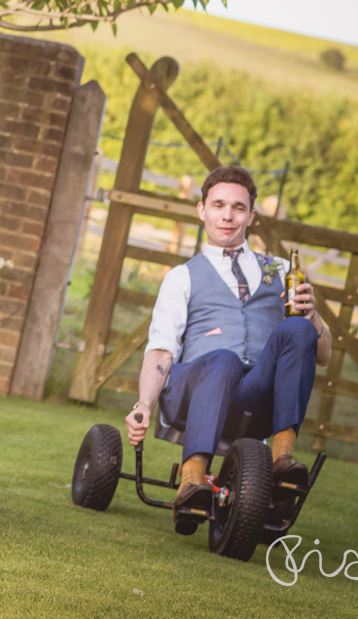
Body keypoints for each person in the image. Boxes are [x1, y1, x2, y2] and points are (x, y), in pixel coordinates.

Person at [127, 165, 332, 511]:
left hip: (253, 395)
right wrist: (144, 404)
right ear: (202, 210)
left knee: (297, 328)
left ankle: (282, 459)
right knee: (224, 359)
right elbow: (162, 350)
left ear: (251, 216)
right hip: (193, 389)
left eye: (238, 208)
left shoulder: (281, 270)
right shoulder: (182, 277)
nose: (227, 216)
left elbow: (323, 355)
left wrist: (313, 318)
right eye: (218, 205)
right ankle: (192, 480)